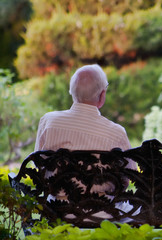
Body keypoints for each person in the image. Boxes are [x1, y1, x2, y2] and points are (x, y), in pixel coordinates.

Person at [34, 64, 136, 200]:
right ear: (102, 95)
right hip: (104, 213)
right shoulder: (116, 133)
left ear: (72, 92)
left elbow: (38, 162)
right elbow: (129, 174)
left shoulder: (49, 122)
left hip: (57, 209)